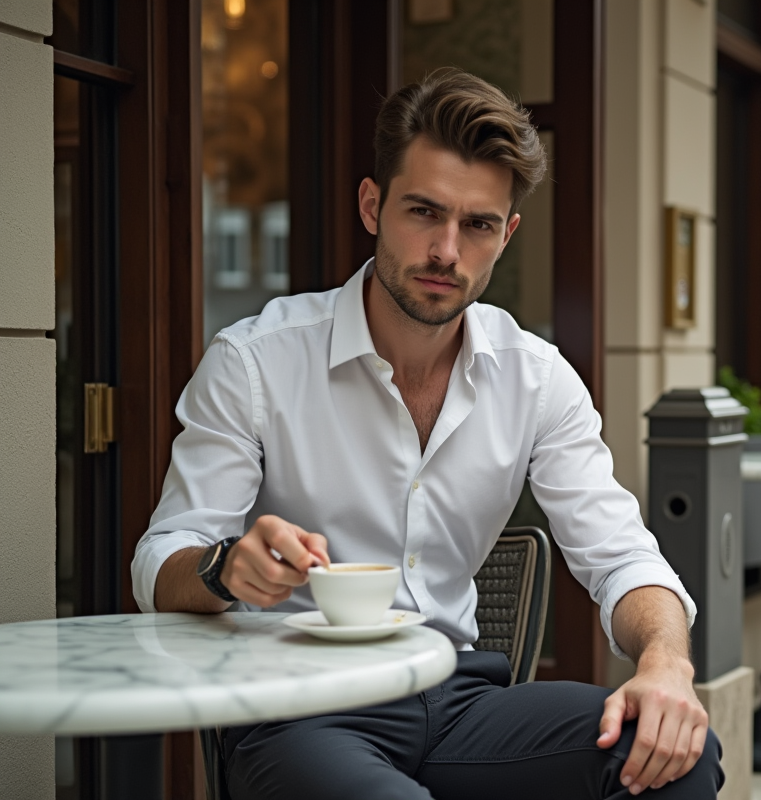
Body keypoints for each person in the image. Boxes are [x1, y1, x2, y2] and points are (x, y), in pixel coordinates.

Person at [132, 68, 722, 800]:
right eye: (424, 212)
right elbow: (160, 563)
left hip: (456, 699)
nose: (447, 250)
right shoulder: (255, 362)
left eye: (477, 225)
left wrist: (667, 661)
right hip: (296, 710)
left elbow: (621, 555)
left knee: (674, 754)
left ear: (505, 235)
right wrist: (225, 567)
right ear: (373, 206)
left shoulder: (535, 378)